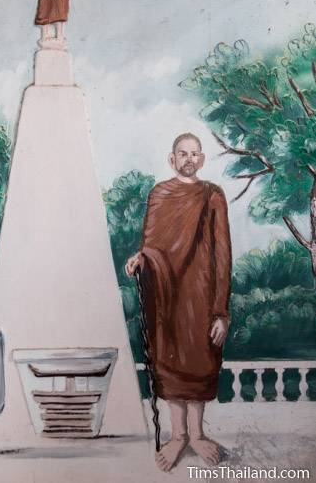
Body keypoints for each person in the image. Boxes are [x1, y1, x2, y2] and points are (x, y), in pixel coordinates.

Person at [125, 132, 232, 472]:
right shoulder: (160, 194)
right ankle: (177, 436)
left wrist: (221, 312)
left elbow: (223, 253)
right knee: (168, 358)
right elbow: (151, 244)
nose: (188, 159)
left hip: (201, 296)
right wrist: (140, 259)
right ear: (172, 159)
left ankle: (198, 434)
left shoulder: (212, 195)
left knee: (201, 358)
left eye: (194, 154)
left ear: (202, 159)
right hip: (168, 297)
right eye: (182, 153)